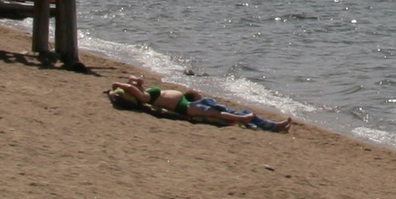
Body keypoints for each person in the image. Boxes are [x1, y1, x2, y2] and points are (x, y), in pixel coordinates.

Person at [107, 77, 289, 132]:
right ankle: (243, 118)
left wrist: (133, 82)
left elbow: (137, 82)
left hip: (188, 102)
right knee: (215, 113)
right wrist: (119, 85)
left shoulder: (147, 91)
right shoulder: (146, 97)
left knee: (223, 109)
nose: (135, 84)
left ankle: (272, 125)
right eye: (133, 86)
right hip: (185, 108)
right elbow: (133, 90)